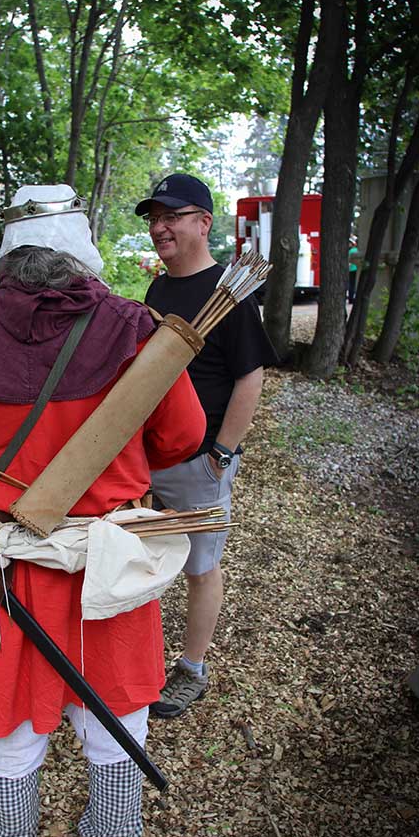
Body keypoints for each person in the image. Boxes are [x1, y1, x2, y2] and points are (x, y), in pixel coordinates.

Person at [0, 184, 206, 837]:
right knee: (116, 715)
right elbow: (184, 436)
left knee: (6, 721)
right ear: (80, 251)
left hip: (9, 566)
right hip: (108, 556)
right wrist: (114, 467)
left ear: (9, 256)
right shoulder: (133, 327)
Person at [135, 173, 278, 719]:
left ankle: (192, 670)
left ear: (203, 223)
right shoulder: (159, 290)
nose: (159, 227)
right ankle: (141, 661)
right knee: (143, 559)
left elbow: (250, 378)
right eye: (154, 218)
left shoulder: (230, 293)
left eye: (171, 216)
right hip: (150, 455)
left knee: (199, 566)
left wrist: (222, 452)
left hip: (200, 461)